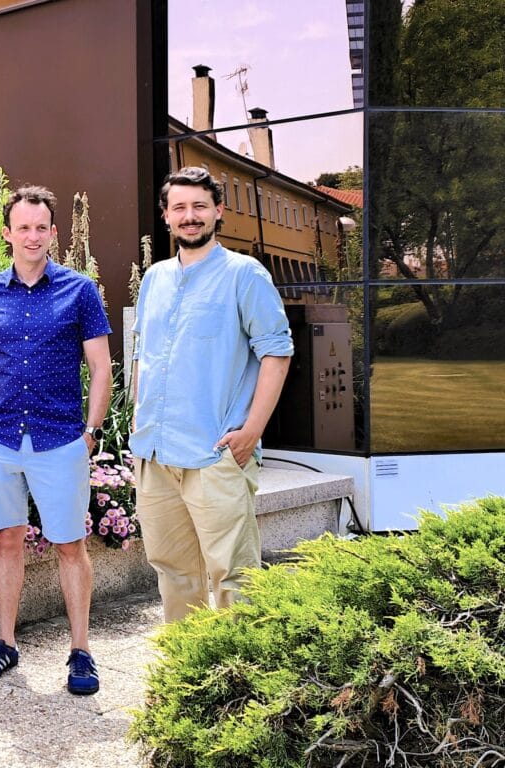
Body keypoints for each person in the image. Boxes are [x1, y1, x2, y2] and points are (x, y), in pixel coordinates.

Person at [0, 185, 112, 695]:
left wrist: (91, 432)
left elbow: (100, 366)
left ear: (53, 232)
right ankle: (5, 643)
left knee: (69, 544)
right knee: (7, 540)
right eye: (22, 227)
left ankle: (81, 652)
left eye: (40, 227)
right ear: (8, 234)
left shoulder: (80, 290)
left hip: (59, 437)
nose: (32, 236)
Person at [130, 166, 293, 622]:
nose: (190, 216)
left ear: (218, 212)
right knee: (173, 572)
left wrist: (252, 432)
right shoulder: (155, 279)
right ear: (166, 216)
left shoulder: (245, 275)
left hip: (216, 454)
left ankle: (236, 687)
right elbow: (144, 354)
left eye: (199, 206)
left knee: (234, 577)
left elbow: (277, 354)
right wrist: (140, 428)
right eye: (179, 207)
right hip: (156, 455)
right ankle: (187, 677)